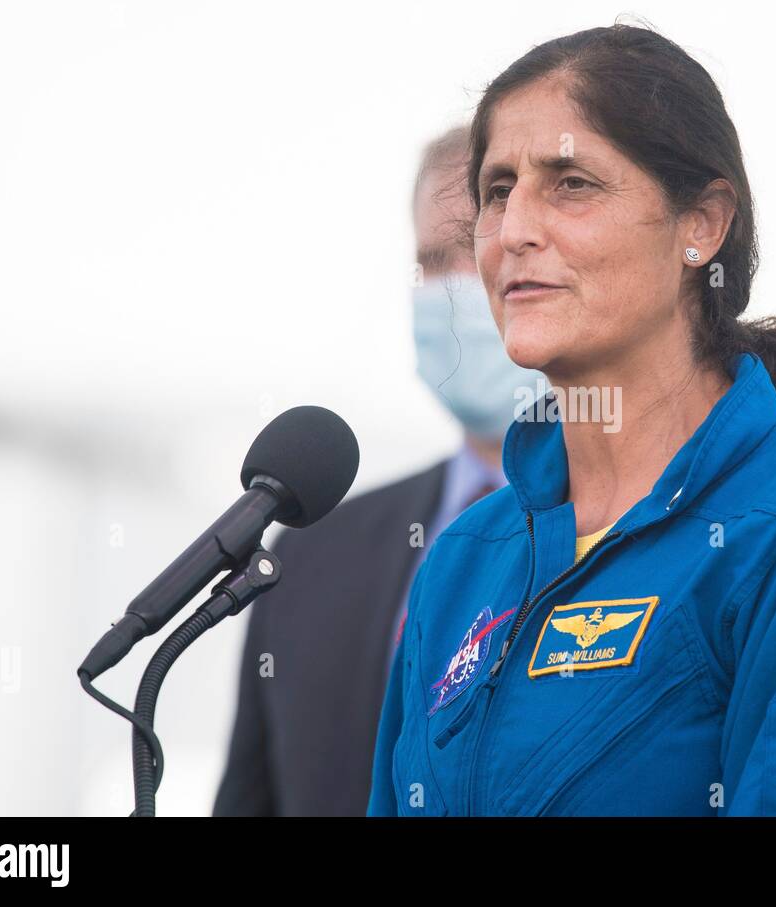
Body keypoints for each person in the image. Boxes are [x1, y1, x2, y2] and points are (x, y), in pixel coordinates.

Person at [367, 23, 776, 816]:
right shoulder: (462, 562)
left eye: (571, 182)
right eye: (498, 189)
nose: (514, 230)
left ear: (702, 225)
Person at [212, 125, 540, 816]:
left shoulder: (648, 527)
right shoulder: (310, 551)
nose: (454, 283)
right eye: (432, 258)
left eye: (478, 247)